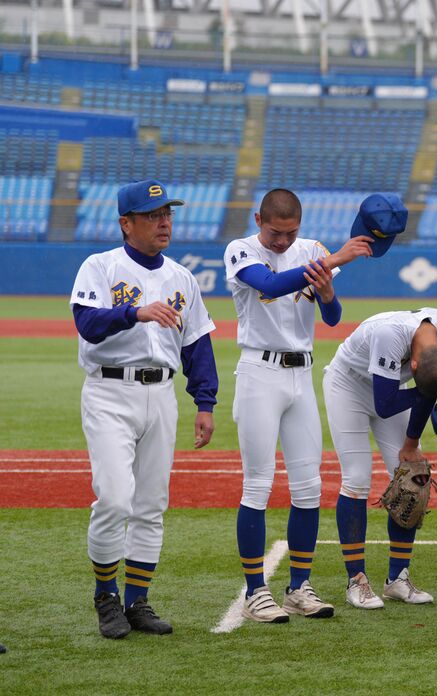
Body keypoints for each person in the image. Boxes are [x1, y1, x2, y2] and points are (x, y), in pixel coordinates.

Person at [70, 180, 218, 638]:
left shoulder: (182, 276)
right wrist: (135, 312)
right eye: (153, 215)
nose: (164, 222)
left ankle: (138, 601)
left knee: (152, 504)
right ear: (126, 223)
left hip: (162, 394)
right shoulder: (100, 267)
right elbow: (87, 323)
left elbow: (197, 342)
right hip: (110, 391)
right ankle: (106, 596)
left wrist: (205, 402)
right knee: (115, 498)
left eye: (167, 214)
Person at [223, 188, 374, 623]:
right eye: (275, 233)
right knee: (258, 484)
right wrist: (334, 260)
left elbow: (332, 317)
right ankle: (255, 590)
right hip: (259, 371)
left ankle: (299, 587)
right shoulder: (242, 249)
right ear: (258, 220)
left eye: (291, 233)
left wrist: (327, 291)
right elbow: (269, 284)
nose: (283, 242)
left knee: (309, 486)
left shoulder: (311, 250)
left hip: (301, 373)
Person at [324, 308, 437, 607]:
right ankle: (356, 580)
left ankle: (397, 578)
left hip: (397, 389)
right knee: (357, 478)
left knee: (413, 475)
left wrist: (412, 443)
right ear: (413, 365)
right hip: (348, 385)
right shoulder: (389, 334)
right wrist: (429, 392)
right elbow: (386, 403)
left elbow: (431, 386)